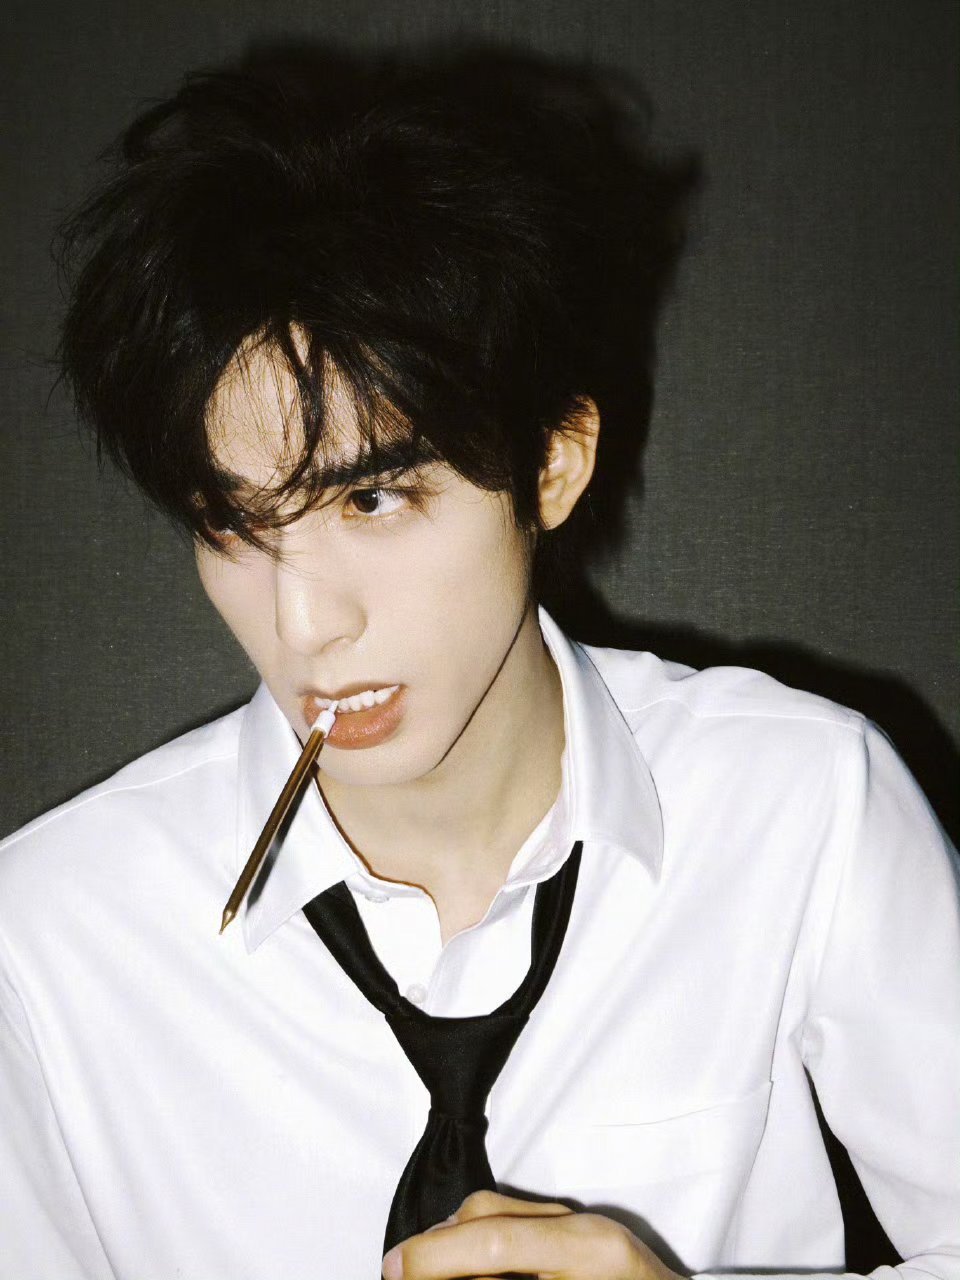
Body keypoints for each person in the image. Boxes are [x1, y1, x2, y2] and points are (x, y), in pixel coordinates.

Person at [1, 46, 957, 1280]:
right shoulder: (49, 932)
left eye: (372, 499)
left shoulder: (801, 802)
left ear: (552, 466)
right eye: (234, 523)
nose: (305, 621)